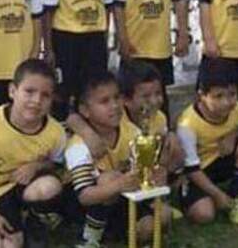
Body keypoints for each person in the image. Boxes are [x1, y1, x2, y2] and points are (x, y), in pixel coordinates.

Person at [0, 59, 66, 248]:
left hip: (25, 188)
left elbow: (56, 164)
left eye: (45, 95)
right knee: (10, 245)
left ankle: (34, 220)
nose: (36, 101)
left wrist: (37, 166)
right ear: (12, 91)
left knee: (50, 186)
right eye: (29, 91)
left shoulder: (56, 131)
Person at [64, 72, 171, 248]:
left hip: (123, 201)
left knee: (164, 216)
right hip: (88, 207)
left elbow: (144, 172)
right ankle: (91, 237)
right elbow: (84, 196)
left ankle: (124, 234)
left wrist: (155, 175)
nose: (114, 105)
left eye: (117, 97)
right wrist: (119, 185)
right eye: (104, 101)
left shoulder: (132, 132)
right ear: (85, 110)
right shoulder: (78, 146)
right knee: (109, 178)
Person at [176, 57, 238, 226]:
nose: (227, 102)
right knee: (204, 214)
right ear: (202, 95)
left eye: (232, 94)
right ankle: (210, 197)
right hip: (199, 171)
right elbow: (192, 168)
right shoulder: (187, 124)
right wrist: (217, 195)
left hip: (223, 161)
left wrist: (233, 135)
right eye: (218, 96)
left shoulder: (237, 109)